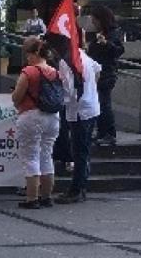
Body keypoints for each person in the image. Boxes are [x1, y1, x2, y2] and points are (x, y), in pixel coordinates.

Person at [11, 36, 61, 209]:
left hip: (31, 116)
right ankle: (46, 197)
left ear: (33, 54)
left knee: (31, 157)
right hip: (52, 117)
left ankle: (31, 199)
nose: (27, 58)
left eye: (27, 54)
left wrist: (16, 100)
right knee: (46, 156)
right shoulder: (55, 72)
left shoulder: (29, 72)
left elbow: (17, 96)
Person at [55, 48, 101, 204]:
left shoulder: (65, 61)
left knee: (79, 150)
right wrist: (91, 90)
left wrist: (61, 100)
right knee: (84, 149)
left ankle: (77, 188)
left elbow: (68, 90)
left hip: (79, 110)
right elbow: (97, 69)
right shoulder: (81, 53)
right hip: (91, 106)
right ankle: (81, 185)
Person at [87, 6, 124, 147]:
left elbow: (118, 50)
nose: (93, 23)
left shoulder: (113, 33)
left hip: (106, 73)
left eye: (94, 20)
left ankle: (109, 133)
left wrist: (106, 43)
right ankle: (102, 133)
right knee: (100, 104)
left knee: (104, 104)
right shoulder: (99, 33)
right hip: (97, 72)